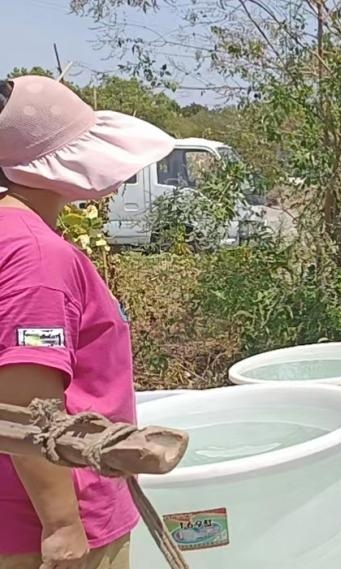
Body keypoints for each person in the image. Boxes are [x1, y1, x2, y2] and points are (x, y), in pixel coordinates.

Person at [0, 75, 176, 569]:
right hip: (55, 517)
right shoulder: (37, 256)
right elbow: (25, 403)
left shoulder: (11, 234)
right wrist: (62, 525)